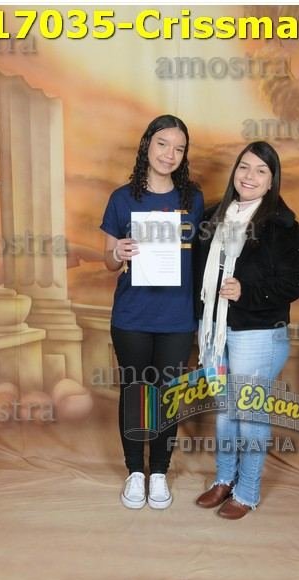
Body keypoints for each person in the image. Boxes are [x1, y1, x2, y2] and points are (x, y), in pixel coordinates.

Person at [194, 141, 299, 519]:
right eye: (244, 167)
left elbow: (296, 282)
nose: (250, 176)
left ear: (272, 180)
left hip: (257, 333)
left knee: (249, 414)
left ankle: (247, 491)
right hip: (214, 330)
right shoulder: (212, 219)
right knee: (226, 411)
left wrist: (247, 291)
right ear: (235, 171)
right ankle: (224, 479)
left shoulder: (283, 225)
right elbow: (194, 272)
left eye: (261, 170)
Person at [100, 115, 204, 510]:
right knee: (135, 392)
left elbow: (202, 257)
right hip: (132, 315)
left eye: (179, 148)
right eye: (163, 144)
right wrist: (118, 251)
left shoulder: (192, 200)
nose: (169, 154)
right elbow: (109, 262)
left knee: (167, 396)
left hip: (177, 317)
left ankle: (159, 471)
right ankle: (135, 471)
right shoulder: (121, 198)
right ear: (147, 145)